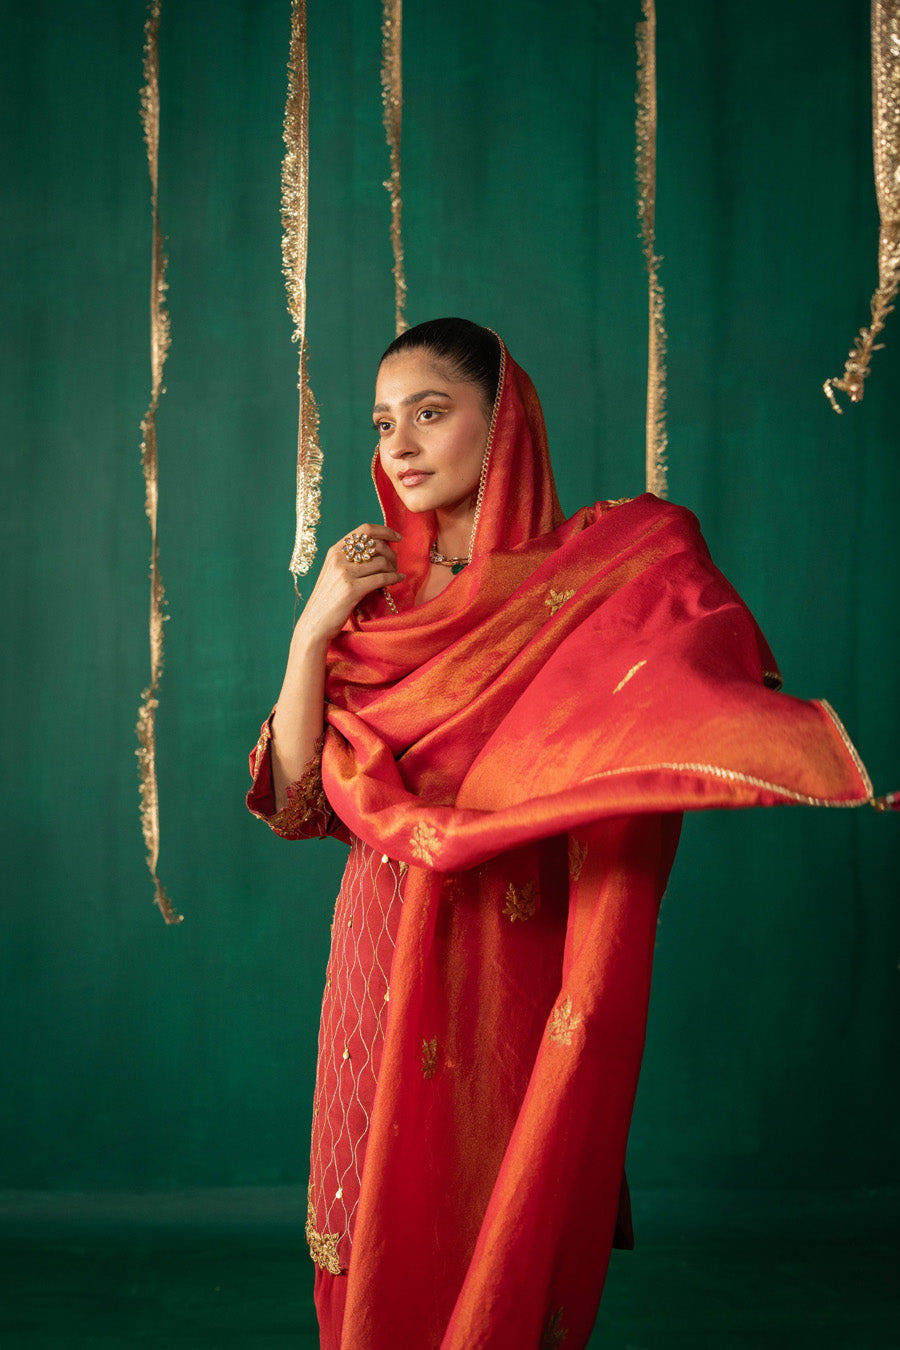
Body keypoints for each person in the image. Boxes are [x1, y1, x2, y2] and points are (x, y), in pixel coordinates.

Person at [248, 318, 875, 1349]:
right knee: (368, 1200)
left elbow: (679, 672)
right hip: (384, 929)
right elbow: (297, 797)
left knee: (495, 1185)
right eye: (383, 422)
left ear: (504, 429)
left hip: (512, 937)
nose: (399, 445)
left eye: (431, 413)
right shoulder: (377, 603)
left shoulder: (587, 579)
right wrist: (315, 628)